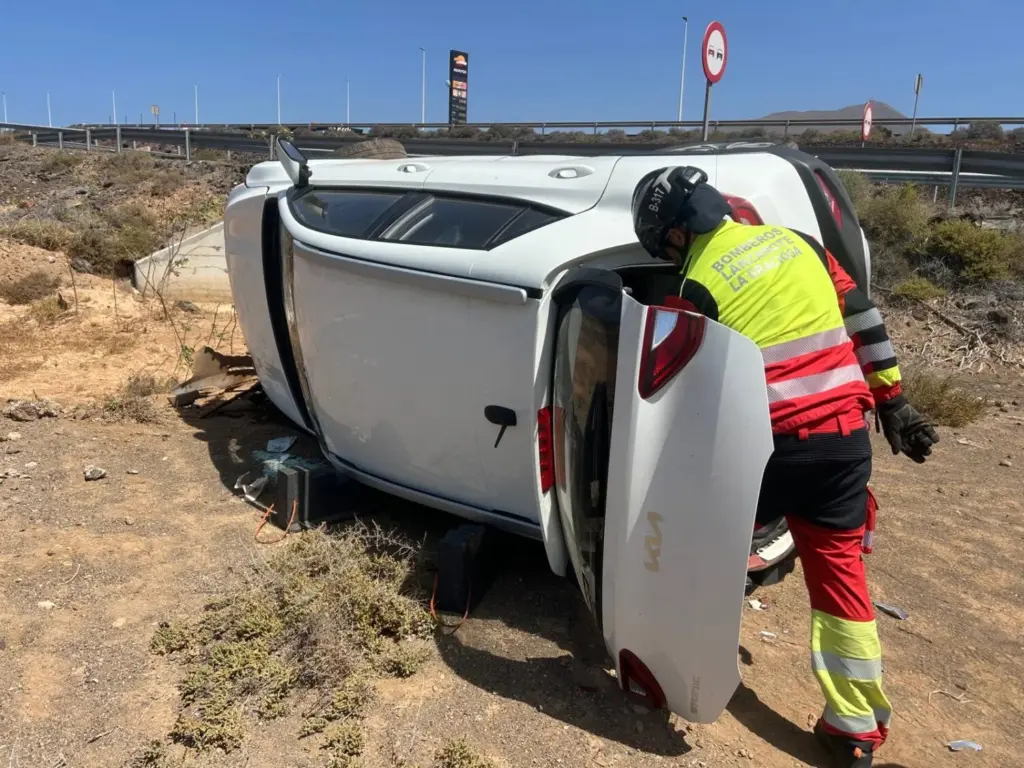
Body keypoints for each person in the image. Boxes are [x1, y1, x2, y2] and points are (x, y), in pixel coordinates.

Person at [631, 166, 939, 768]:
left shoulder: (693, 287)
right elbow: (863, 318)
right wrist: (895, 401)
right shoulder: (801, 243)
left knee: (687, 547)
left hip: (767, 450)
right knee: (839, 575)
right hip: (845, 440)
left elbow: (686, 393)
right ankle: (854, 728)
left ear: (673, 233)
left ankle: (670, 666)